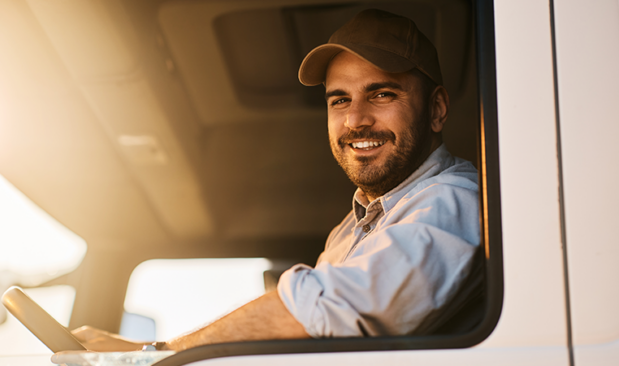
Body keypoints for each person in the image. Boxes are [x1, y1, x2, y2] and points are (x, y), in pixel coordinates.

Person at [69, 8, 479, 352]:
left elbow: (326, 307)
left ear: (437, 109)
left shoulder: (454, 200)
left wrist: (153, 355)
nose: (355, 119)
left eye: (382, 94)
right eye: (340, 100)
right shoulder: (352, 228)